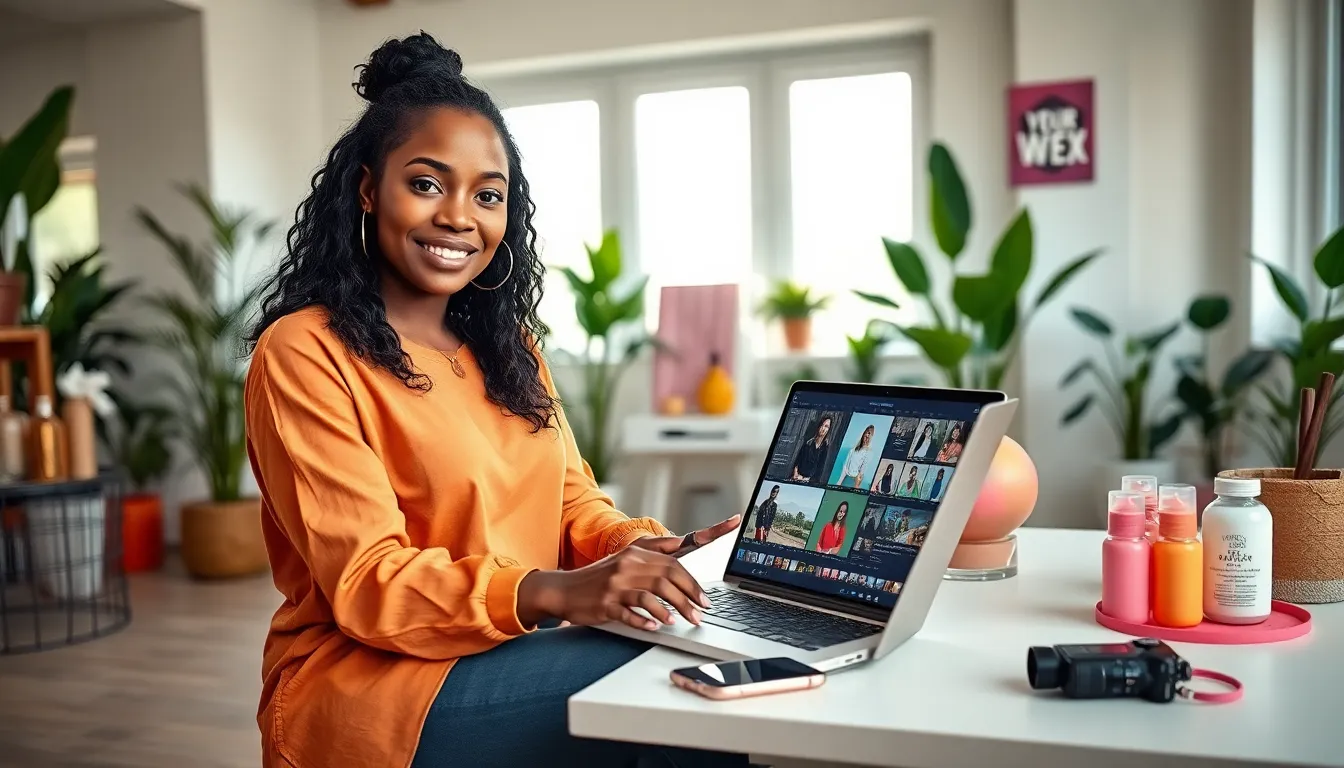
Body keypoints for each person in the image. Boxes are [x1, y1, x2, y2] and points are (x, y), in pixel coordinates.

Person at [242, 33, 748, 768]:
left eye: (488, 194)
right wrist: (554, 593)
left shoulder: (509, 347)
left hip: (517, 646)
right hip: (376, 685)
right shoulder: (305, 351)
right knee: (682, 688)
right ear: (366, 189)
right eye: (426, 183)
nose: (459, 216)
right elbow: (368, 581)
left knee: (706, 660)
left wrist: (649, 550)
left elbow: (574, 506)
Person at [790, 415, 831, 482]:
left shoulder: (825, 447)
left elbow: (819, 470)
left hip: (808, 481)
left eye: (826, 426)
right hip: (796, 477)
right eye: (822, 425)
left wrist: (804, 479)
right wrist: (795, 473)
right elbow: (798, 460)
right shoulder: (808, 442)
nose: (823, 428)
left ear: (829, 429)